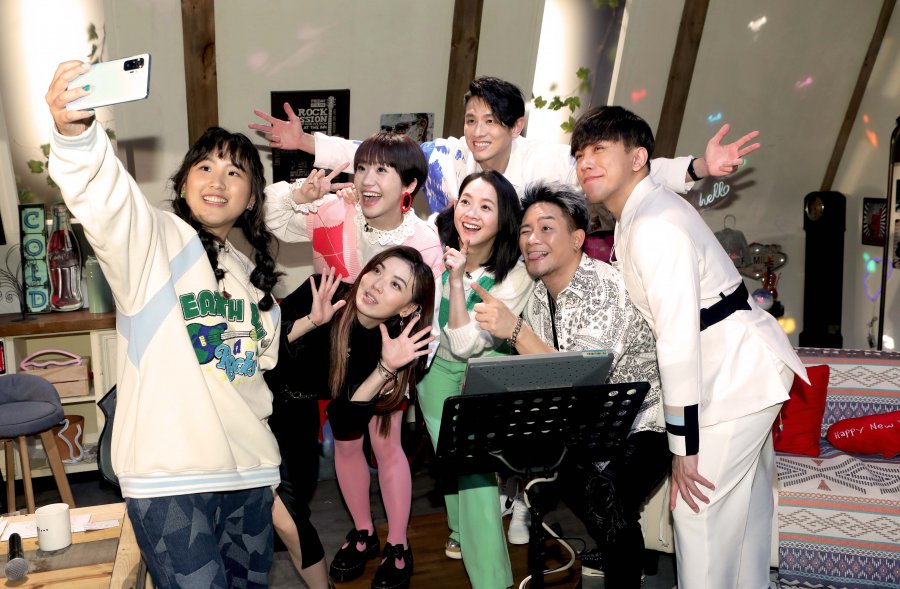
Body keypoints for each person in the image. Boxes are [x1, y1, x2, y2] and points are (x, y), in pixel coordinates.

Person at [47, 61, 283, 588]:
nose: (218, 181)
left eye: (235, 172)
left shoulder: (250, 279)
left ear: (251, 198)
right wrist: (76, 136)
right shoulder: (153, 242)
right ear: (183, 181)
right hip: (171, 480)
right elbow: (109, 204)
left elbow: (248, 377)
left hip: (251, 476)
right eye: (205, 167)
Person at [569, 105, 807, 588]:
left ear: (637, 159)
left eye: (598, 150)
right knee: (743, 516)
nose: (585, 162)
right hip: (741, 368)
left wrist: (683, 446)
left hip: (737, 375)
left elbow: (677, 340)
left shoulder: (654, 225)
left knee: (697, 513)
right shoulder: (642, 205)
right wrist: (698, 166)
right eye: (579, 155)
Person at [261, 132, 443, 586]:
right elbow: (271, 217)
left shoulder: (423, 240)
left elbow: (428, 314)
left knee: (385, 440)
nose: (367, 179)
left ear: (409, 185)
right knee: (344, 439)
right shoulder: (336, 209)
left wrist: (404, 366)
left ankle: (397, 544)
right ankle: (363, 533)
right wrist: (301, 194)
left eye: (382, 170)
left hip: (389, 347)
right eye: (361, 168)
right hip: (332, 336)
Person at [471, 184, 670, 588]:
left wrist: (516, 331)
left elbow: (580, 379)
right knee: (566, 488)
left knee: (608, 500)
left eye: (546, 228)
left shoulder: (605, 289)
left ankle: (622, 561)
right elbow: (544, 379)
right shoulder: (537, 297)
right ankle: (615, 547)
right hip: (584, 426)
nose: (532, 239)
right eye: (525, 230)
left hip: (643, 423)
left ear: (577, 239)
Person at [249, 76, 757, 215]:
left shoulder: (549, 161)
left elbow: (625, 172)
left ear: (516, 127)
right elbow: (373, 154)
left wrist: (697, 167)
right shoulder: (447, 157)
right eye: (471, 119)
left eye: (491, 121)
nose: (478, 131)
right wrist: (307, 142)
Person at [276, 247, 434, 589]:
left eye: (395, 284)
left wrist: (385, 369)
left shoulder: (390, 346)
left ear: (408, 308)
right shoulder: (323, 291)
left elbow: (347, 423)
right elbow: (260, 350)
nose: (375, 284)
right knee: (281, 518)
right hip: (255, 407)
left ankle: (393, 545)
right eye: (376, 270)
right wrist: (310, 322)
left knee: (289, 516)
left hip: (299, 421)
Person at [416, 170, 533, 588]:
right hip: (433, 373)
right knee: (450, 460)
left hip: (482, 375)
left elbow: (466, 345)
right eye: (466, 201)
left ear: (504, 220)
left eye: (486, 206)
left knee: (476, 472)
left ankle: (493, 581)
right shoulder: (433, 246)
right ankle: (460, 529)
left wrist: (456, 279)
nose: (471, 213)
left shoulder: (515, 276)